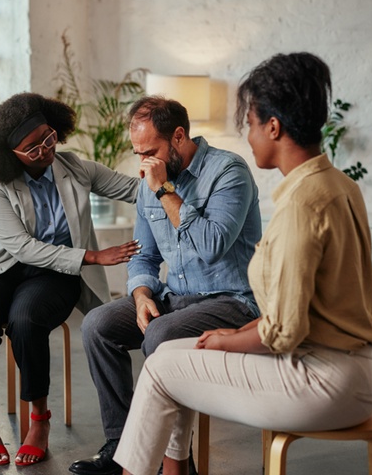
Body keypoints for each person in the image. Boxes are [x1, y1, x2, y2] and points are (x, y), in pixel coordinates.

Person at [113, 52, 372, 475]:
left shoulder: (301, 204)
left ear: (273, 127)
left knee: (162, 366)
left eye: (250, 124)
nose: (248, 135)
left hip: (322, 380)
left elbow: (283, 331)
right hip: (356, 370)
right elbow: (303, 310)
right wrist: (236, 332)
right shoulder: (338, 185)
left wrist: (227, 340)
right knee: (166, 356)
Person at [0, 92, 141, 466]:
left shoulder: (76, 167)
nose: (45, 150)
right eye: (32, 148)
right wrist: (93, 256)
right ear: (8, 154)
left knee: (26, 320)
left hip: (55, 272)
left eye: (48, 137)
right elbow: (22, 248)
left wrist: (172, 184)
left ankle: (39, 419)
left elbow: (134, 190)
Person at [70, 96, 262, 475]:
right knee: (98, 325)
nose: (144, 162)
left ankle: (174, 460)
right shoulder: (149, 180)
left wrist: (164, 191)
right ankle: (124, 446)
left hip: (231, 300)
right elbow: (144, 257)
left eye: (151, 151)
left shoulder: (228, 173)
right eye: (138, 153)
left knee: (160, 334)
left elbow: (210, 246)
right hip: (174, 295)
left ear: (178, 136)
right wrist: (141, 295)